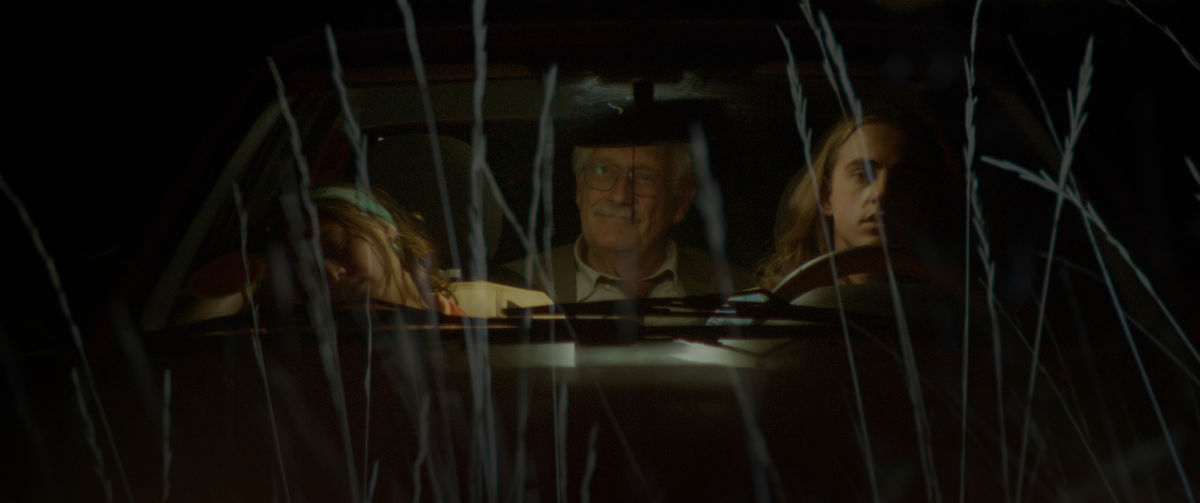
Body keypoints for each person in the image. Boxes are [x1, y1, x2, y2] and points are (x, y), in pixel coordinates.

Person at [172, 186, 551, 325]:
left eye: (334, 245)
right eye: (302, 266)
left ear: (386, 230)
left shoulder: (499, 310)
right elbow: (184, 343)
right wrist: (253, 274)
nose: (325, 271)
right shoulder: (309, 346)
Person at [504, 143, 754, 303]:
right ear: (579, 189)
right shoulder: (507, 288)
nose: (620, 195)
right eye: (603, 171)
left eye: (645, 177)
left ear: (681, 202)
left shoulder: (742, 292)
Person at [756, 108, 960, 290]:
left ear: (926, 202)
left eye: (904, 180)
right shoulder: (770, 311)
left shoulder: (956, 311)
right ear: (827, 197)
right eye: (862, 174)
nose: (881, 193)